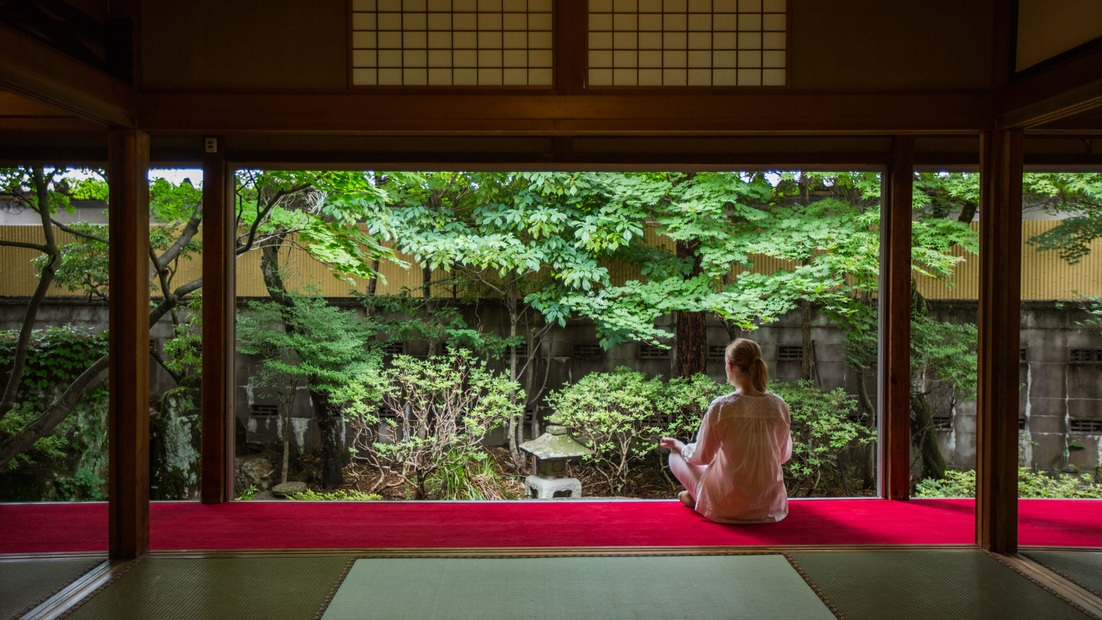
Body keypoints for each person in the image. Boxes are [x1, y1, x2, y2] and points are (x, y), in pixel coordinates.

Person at [660, 338, 793, 523]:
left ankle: (701, 499)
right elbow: (783, 456)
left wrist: (679, 445)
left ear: (730, 366)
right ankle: (698, 497)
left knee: (675, 456)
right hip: (768, 506)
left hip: (727, 506)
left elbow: (701, 457)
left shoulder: (723, 406)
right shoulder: (778, 405)